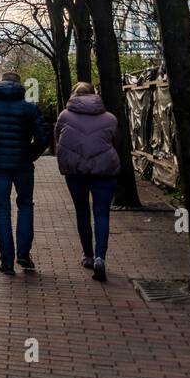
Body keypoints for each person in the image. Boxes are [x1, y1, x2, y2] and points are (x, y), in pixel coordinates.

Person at [0, 72, 51, 275]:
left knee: (2, 209)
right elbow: (43, 137)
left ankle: (6, 260)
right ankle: (24, 253)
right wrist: (31, 154)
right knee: (25, 206)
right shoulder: (30, 108)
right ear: (19, 85)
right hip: (23, 164)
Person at [54, 82, 120, 282]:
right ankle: (101, 257)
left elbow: (58, 138)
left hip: (76, 172)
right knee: (102, 214)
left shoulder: (64, 116)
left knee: (82, 211)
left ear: (74, 95)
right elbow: (115, 141)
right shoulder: (110, 118)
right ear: (95, 95)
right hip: (105, 171)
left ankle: (88, 255)